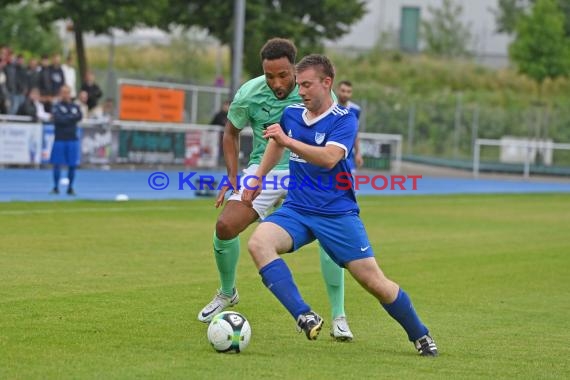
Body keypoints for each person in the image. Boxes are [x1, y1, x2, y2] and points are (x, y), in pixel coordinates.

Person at [242, 54, 438, 356]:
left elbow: (329, 158)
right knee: (258, 244)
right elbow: (276, 142)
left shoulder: (345, 119)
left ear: (327, 83)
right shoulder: (293, 113)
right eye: (300, 84)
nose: (301, 91)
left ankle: (420, 334)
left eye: (307, 84)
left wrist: (288, 141)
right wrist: (257, 178)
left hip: (337, 215)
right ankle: (305, 315)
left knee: (375, 283)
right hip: (297, 209)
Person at [198, 38, 355, 342]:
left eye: (283, 75)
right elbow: (230, 133)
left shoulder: (315, 91)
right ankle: (227, 293)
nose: (276, 82)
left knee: (330, 239)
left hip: (308, 173)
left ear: (295, 71)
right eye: (270, 76)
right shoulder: (249, 93)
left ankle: (339, 316)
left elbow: (336, 134)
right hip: (265, 170)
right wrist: (231, 177)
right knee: (225, 226)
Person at [50, 85, 82, 195]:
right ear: (60, 93)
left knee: (72, 164)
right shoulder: (56, 106)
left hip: (72, 139)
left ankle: (70, 187)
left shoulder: (75, 106)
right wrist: (70, 118)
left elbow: (79, 116)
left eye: (67, 92)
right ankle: (55, 187)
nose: (65, 95)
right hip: (60, 138)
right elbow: (59, 119)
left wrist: (67, 118)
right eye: (63, 92)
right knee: (57, 164)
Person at [337, 80, 363, 171]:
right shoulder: (330, 106)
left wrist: (358, 153)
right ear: (337, 90)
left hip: (348, 155)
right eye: (343, 91)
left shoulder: (355, 110)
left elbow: (355, 132)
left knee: (350, 183)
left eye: (348, 92)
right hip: (331, 151)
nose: (345, 94)